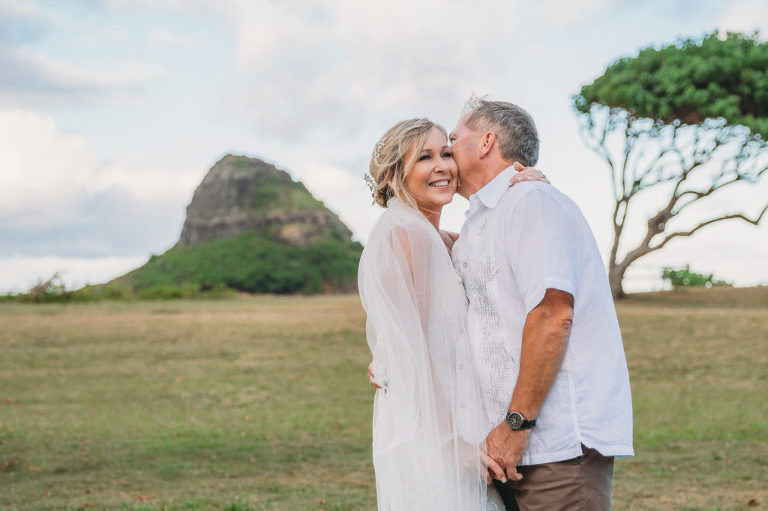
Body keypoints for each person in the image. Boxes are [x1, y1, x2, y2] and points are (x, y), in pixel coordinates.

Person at [449, 97, 634, 511]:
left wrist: (517, 425)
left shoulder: (532, 202)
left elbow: (553, 316)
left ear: (486, 143)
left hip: (554, 445)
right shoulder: (478, 224)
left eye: (453, 138)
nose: (446, 150)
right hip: (502, 452)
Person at [359, 118, 546, 510]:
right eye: (425, 157)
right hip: (433, 430)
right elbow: (414, 347)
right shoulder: (404, 235)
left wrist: (527, 183)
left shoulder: (446, 240)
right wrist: (449, 443)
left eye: (446, 152)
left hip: (465, 418)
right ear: (396, 175)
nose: (442, 165)